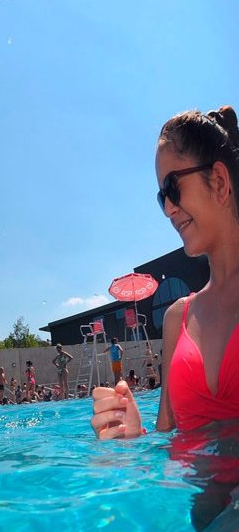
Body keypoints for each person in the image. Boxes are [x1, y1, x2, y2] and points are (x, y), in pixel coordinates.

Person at [93, 106, 239, 438]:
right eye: (162, 198)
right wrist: (132, 436)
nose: (169, 209)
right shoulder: (178, 319)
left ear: (218, 181)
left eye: (172, 187)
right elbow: (167, 441)